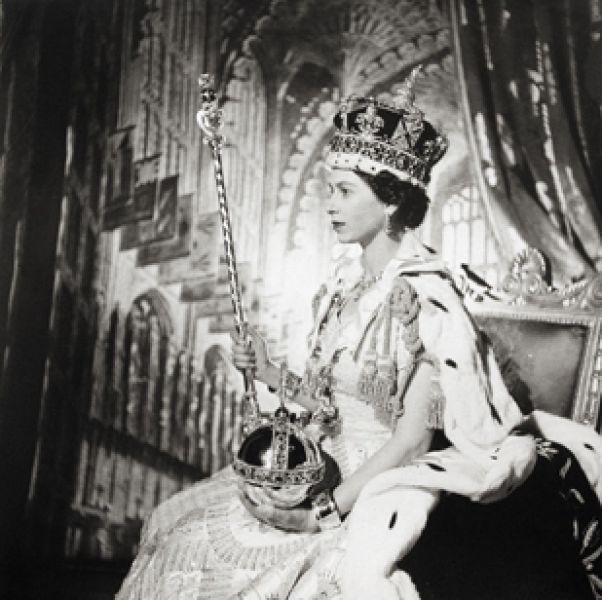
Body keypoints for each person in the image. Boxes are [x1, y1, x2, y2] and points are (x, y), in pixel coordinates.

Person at [116, 73, 602, 600]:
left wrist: (320, 515)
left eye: (345, 191)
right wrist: (269, 370)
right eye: (329, 189)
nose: (330, 204)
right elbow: (328, 402)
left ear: (391, 202)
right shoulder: (342, 287)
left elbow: (412, 439)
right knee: (174, 525)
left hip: (380, 480)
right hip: (320, 457)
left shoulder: (428, 301)